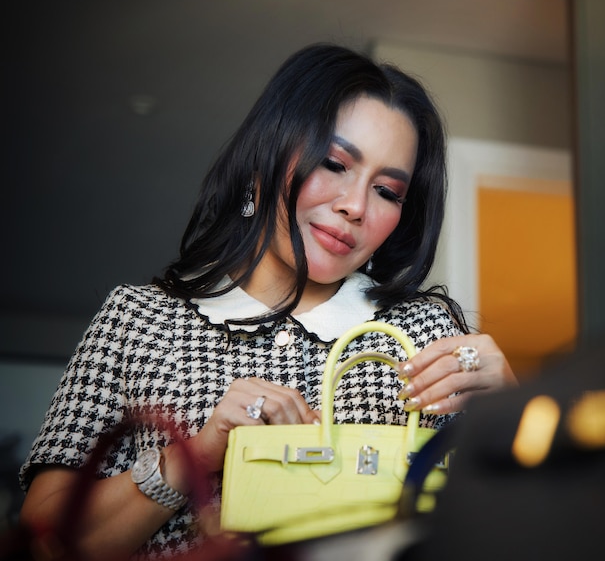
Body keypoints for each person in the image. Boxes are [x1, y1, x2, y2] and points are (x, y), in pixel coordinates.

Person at [18, 43, 518, 560]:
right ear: (269, 152)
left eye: (388, 192)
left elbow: (512, 524)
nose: (354, 206)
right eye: (334, 162)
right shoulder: (138, 321)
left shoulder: (426, 332)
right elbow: (44, 539)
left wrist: (514, 405)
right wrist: (197, 453)